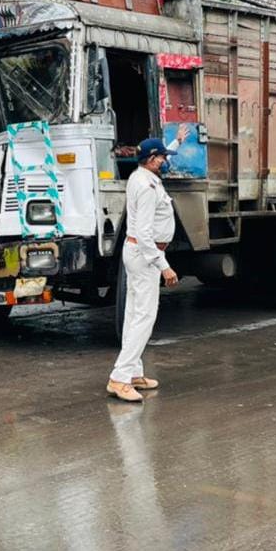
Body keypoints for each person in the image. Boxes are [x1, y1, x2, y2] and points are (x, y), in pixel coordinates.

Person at [107, 126, 190, 403]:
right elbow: (143, 234)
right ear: (153, 159)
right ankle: (119, 378)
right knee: (144, 317)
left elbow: (162, 152)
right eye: (163, 157)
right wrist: (163, 265)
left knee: (134, 315)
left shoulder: (143, 176)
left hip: (138, 253)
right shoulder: (145, 186)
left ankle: (132, 372)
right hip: (145, 255)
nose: (167, 160)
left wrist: (176, 141)